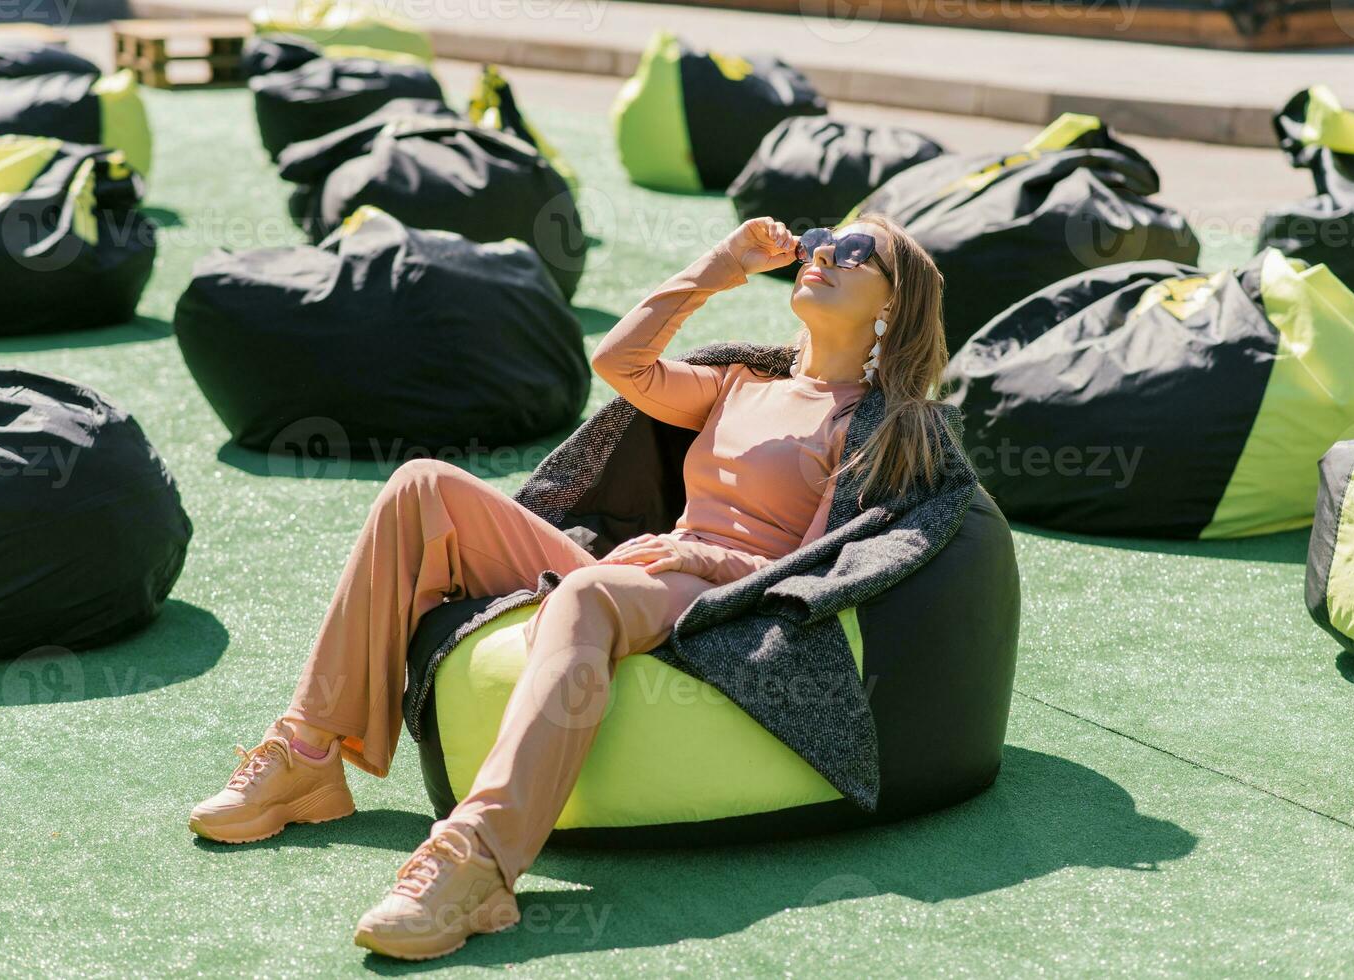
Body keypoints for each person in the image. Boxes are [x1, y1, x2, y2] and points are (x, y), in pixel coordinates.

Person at [188, 212, 951, 961]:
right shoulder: (740, 383)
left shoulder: (881, 423)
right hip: (651, 568)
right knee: (422, 486)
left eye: (853, 251)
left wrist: (705, 563)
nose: (821, 254)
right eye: (818, 242)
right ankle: (310, 756)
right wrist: (719, 268)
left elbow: (825, 566)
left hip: (723, 599)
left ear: (893, 301)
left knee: (585, 596)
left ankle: (479, 861)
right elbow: (623, 365)